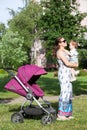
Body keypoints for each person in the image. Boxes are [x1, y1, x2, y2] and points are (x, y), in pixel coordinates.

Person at [53, 37, 78, 120]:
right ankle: (61, 114)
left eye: (65, 40)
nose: (65, 42)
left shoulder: (65, 51)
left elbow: (72, 56)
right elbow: (67, 63)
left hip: (68, 74)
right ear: (59, 43)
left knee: (69, 92)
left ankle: (67, 113)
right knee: (64, 92)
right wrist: (75, 65)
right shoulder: (60, 52)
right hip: (63, 74)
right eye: (63, 41)